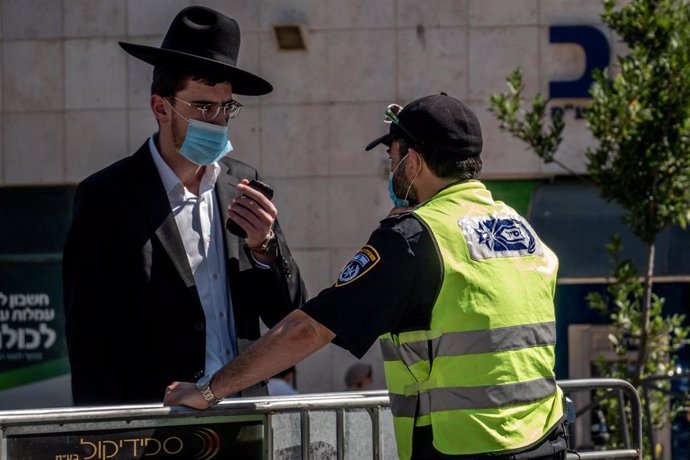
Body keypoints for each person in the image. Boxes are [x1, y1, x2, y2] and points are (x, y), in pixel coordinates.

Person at [164, 93, 568, 460]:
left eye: (391, 157)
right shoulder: (518, 228)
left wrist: (207, 390)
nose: (390, 169)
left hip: (464, 448)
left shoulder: (413, 238)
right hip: (545, 439)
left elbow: (308, 329)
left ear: (413, 161)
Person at [62, 6, 306, 406]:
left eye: (226, 107)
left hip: (241, 413)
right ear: (160, 107)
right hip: (155, 423)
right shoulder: (107, 198)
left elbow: (290, 313)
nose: (217, 120)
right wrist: (105, 434)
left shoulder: (241, 183)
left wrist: (266, 250)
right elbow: (90, 338)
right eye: (202, 107)